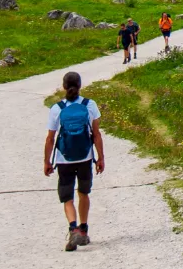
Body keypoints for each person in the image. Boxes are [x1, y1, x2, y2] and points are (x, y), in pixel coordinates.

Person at [43, 71, 105, 252]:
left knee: (67, 196)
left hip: (64, 159)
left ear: (63, 86)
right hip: (85, 156)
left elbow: (50, 138)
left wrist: (47, 161)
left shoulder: (57, 108)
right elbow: (96, 134)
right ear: (80, 86)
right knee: (84, 193)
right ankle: (84, 230)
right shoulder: (89, 105)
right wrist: (100, 157)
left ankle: (73, 228)